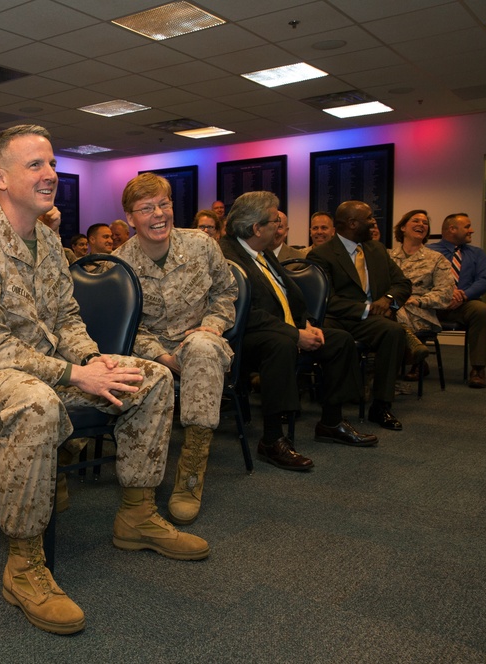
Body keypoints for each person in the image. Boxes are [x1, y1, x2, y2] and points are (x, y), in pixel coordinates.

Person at [0, 125, 208, 635]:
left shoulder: (46, 240)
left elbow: (65, 319)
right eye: (35, 165)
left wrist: (93, 360)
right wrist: (71, 372)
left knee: (146, 377)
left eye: (52, 164)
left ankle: (137, 515)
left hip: (46, 367)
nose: (50, 174)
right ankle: (23, 564)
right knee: (35, 404)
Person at [112, 172, 238, 525]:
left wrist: (211, 326)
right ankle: (139, 491)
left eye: (164, 204)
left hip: (201, 338)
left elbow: (226, 293)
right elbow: (125, 327)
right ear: (130, 218)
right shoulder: (120, 264)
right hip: (149, 350)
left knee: (200, 347)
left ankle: (191, 469)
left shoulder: (201, 245)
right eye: (146, 208)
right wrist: (162, 356)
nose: (158, 214)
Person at [220, 192, 376, 470]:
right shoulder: (226, 257)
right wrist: (295, 336)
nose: (279, 228)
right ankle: (271, 439)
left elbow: (289, 296)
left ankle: (331, 421)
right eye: (274, 222)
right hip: (246, 335)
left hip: (281, 327)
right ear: (256, 228)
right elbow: (242, 313)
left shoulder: (262, 251)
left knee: (339, 339)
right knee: (279, 345)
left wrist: (306, 324)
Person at [307, 201, 412, 430]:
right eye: (369, 218)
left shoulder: (376, 250)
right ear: (353, 223)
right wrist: (367, 309)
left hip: (372, 319)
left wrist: (388, 300)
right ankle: (336, 414)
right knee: (338, 339)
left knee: (393, 332)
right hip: (339, 318)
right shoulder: (322, 255)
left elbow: (402, 283)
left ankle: (381, 406)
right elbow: (327, 300)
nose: (374, 222)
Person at [428, 213, 486, 388]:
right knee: (410, 308)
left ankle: (478, 369)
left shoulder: (477, 254)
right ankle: (415, 363)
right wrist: (444, 294)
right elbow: (420, 280)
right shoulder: (429, 252)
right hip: (433, 305)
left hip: (463, 305)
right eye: (467, 226)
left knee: (482, 311)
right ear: (452, 229)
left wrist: (463, 295)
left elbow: (485, 280)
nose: (471, 230)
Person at [388, 210, 454, 379]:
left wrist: (419, 301)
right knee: (392, 311)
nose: (421, 225)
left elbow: (445, 293)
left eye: (425, 223)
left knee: (391, 316)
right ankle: (412, 349)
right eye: (416, 221)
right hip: (392, 305)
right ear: (403, 227)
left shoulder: (436, 259)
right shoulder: (388, 256)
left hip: (421, 312)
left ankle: (386, 374)